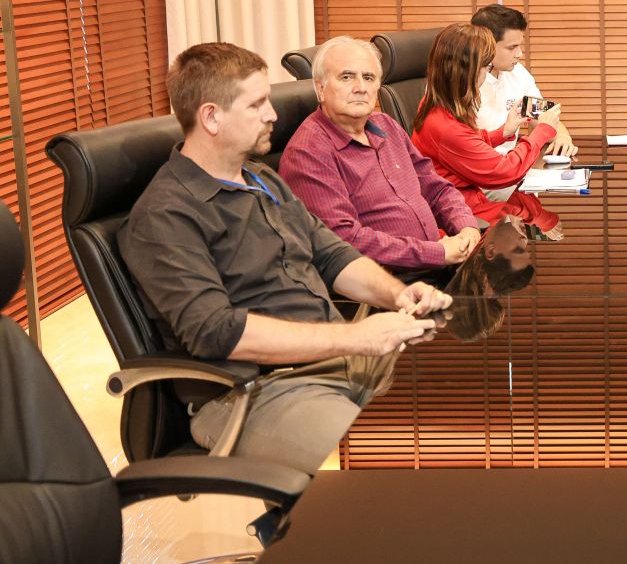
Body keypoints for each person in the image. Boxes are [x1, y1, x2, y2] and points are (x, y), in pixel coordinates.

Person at [118, 43, 452, 475]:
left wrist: (399, 295)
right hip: (254, 392)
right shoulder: (165, 214)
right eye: (257, 104)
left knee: (460, 401)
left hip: (335, 363)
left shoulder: (261, 178)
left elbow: (331, 254)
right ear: (211, 117)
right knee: (390, 461)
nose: (272, 115)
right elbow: (216, 332)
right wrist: (356, 337)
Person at [280, 36, 482, 278]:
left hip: (438, 268)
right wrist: (435, 253)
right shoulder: (308, 152)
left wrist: (466, 226)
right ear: (320, 88)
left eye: (368, 77)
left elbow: (435, 189)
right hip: (389, 284)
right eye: (347, 77)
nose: (361, 88)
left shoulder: (386, 125)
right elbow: (345, 241)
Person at [411, 23, 562, 196]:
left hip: (471, 190)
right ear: (468, 71)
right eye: (485, 66)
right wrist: (542, 131)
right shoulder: (446, 125)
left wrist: (502, 132)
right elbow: (505, 172)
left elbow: (467, 143)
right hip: (465, 203)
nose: (487, 73)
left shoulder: (437, 103)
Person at [471, 4, 578, 158]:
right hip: (475, 163)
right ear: (484, 44)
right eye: (511, 47)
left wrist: (563, 137)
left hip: (510, 162)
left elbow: (542, 116)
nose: (519, 54)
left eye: (519, 46)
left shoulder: (517, 72)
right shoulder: (461, 80)